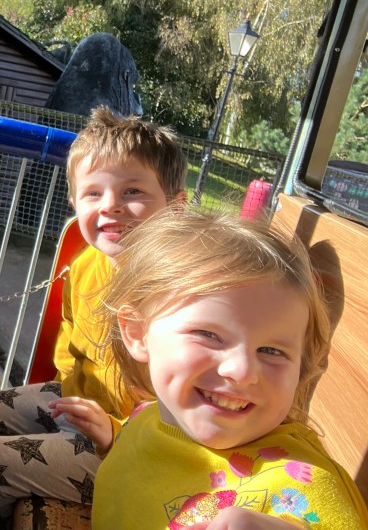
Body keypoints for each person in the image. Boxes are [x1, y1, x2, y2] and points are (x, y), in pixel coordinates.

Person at [0, 107, 188, 529]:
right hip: (84, 409)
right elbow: (70, 348)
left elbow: (183, 413)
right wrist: (64, 412)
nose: (111, 207)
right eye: (93, 193)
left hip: (138, 450)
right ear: (75, 202)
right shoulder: (85, 267)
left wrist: (112, 432)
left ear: (176, 207)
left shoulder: (179, 297)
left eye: (133, 191)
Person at [92, 210, 368, 529]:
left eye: (272, 351)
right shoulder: (144, 418)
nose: (242, 370)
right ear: (137, 333)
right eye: (208, 335)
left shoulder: (303, 484)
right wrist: (110, 440)